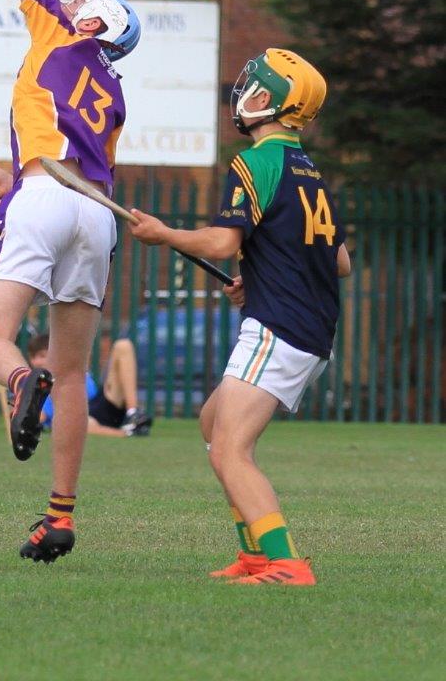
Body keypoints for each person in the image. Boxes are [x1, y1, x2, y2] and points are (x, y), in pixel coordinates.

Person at [0, 0, 141, 563]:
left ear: (92, 21)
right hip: (91, 215)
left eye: (78, 0)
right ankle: (59, 517)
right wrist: (8, 178)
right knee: (72, 374)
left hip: (45, 198)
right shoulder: (114, 92)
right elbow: (72, 160)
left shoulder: (59, 35)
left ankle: (16, 381)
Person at [129, 48, 351, 586]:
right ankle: (253, 557)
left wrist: (165, 234)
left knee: (231, 449)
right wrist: (260, 275)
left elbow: (223, 243)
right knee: (213, 424)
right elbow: (339, 261)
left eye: (251, 85)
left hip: (281, 327)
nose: (241, 92)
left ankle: (287, 564)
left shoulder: (255, 163)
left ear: (265, 100)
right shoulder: (308, 171)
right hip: (304, 326)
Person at [26, 332, 152, 437]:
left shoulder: (70, 373)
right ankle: (128, 433)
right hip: (79, 420)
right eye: (33, 357)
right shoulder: (32, 385)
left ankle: (133, 413)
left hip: (98, 409)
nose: (37, 361)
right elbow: (38, 419)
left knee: (123, 345)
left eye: (43, 356)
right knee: (75, 423)